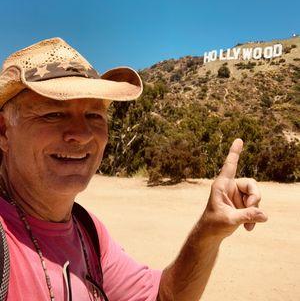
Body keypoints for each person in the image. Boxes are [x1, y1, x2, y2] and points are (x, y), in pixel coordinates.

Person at [0, 37, 268, 301]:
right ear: (4, 131)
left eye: (94, 115)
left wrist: (208, 232)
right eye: (53, 114)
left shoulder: (88, 232)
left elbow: (163, 297)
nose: (81, 134)